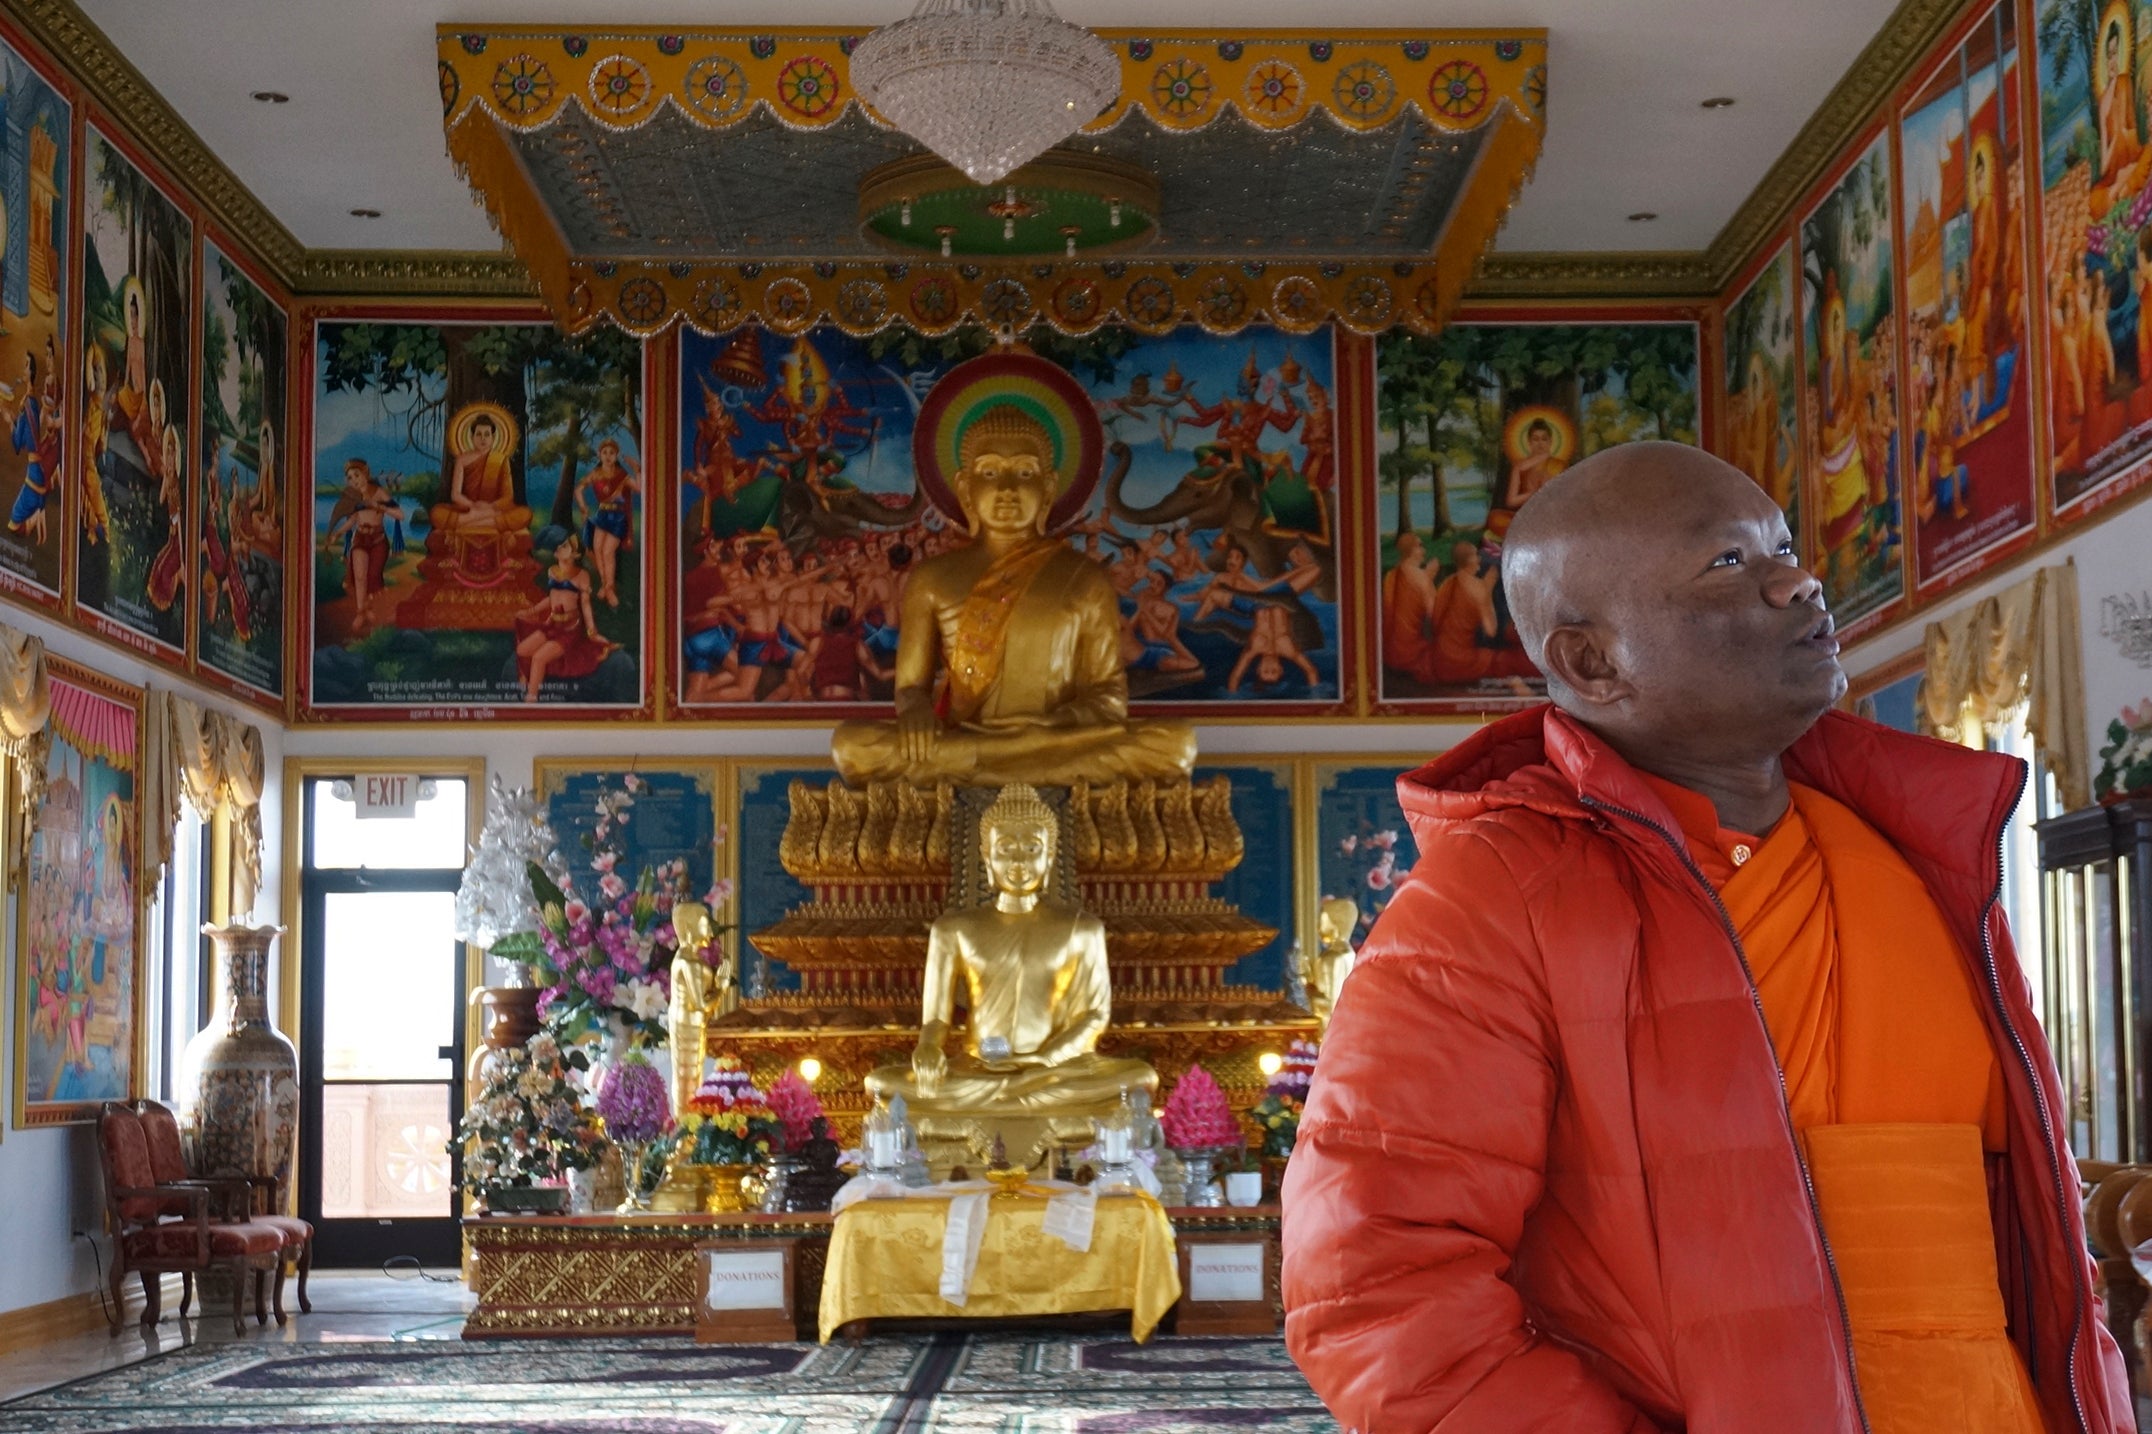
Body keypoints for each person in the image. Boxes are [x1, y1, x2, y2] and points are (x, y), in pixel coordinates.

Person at [1282, 441, 2131, 1433]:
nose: (1798, 582)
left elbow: (2028, 1237)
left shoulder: (1915, 855)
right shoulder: (1492, 899)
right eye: (1728, 563)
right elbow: (1377, 1289)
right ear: (1591, 662)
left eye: (1782, 547)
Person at [511, 534, 612, 703]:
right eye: (559, 545)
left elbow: (585, 604)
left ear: (575, 554)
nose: (559, 548)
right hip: (552, 625)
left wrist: (591, 630)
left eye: (565, 546)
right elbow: (551, 598)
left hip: (569, 629)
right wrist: (530, 611)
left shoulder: (582, 575)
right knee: (522, 650)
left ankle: (531, 699)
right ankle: (529, 677)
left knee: (538, 658)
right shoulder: (552, 571)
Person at [574, 437, 640, 608]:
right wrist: (583, 507)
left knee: (608, 551)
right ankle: (606, 585)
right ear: (599, 455)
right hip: (602, 515)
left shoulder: (621, 475)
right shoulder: (595, 474)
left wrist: (636, 469)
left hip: (617, 517)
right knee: (597, 550)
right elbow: (579, 489)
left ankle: (609, 589)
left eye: (612, 453)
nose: (608, 456)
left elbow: (639, 488)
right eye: (605, 452)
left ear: (616, 455)